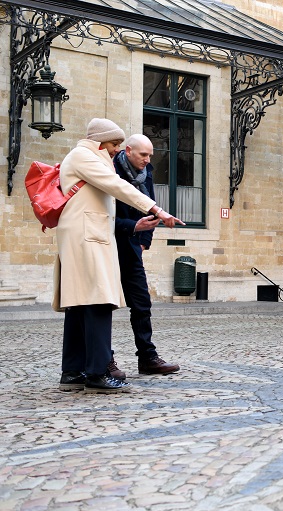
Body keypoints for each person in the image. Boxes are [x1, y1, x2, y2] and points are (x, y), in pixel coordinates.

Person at [54, 118, 185, 394]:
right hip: (87, 238)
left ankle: (72, 371)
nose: (116, 149)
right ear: (101, 141)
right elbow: (117, 186)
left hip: (87, 236)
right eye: (114, 144)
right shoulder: (83, 156)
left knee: (79, 305)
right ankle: (98, 372)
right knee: (100, 301)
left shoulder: (88, 157)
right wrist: (157, 210)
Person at [107, 134, 180, 379]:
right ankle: (106, 359)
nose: (148, 161)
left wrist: (143, 244)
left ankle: (147, 358)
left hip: (133, 245)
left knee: (141, 302)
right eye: (143, 155)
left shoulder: (145, 172)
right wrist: (131, 227)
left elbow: (150, 205)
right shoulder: (110, 169)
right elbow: (101, 216)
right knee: (104, 303)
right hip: (107, 243)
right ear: (127, 151)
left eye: (150, 156)